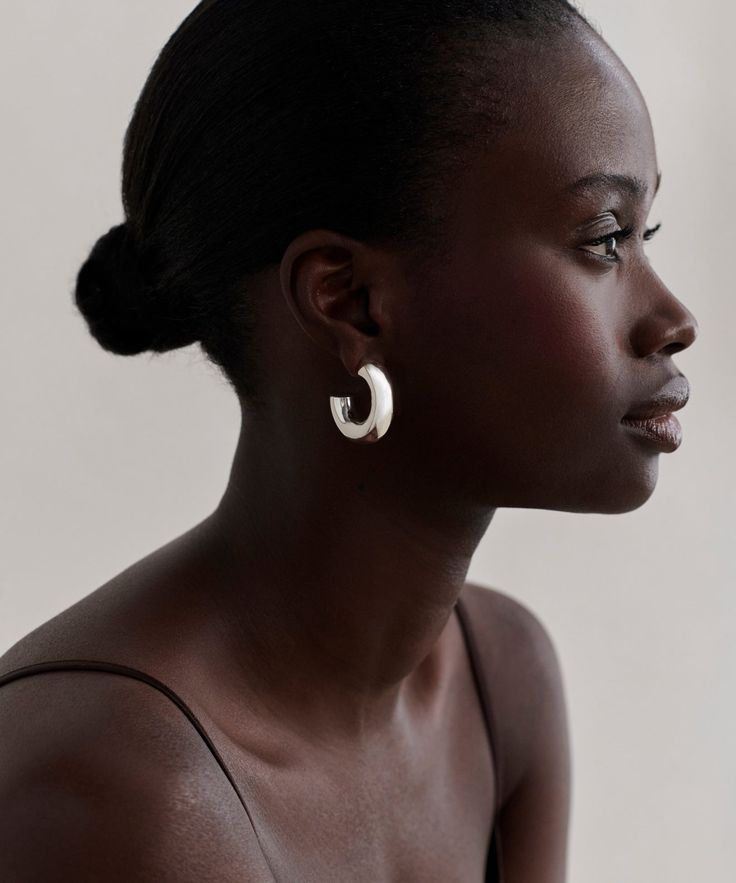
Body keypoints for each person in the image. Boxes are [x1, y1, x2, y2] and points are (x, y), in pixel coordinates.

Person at [0, 1, 698, 880]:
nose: (674, 318)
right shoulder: (111, 796)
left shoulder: (503, 683)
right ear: (352, 302)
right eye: (604, 239)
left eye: (648, 234)